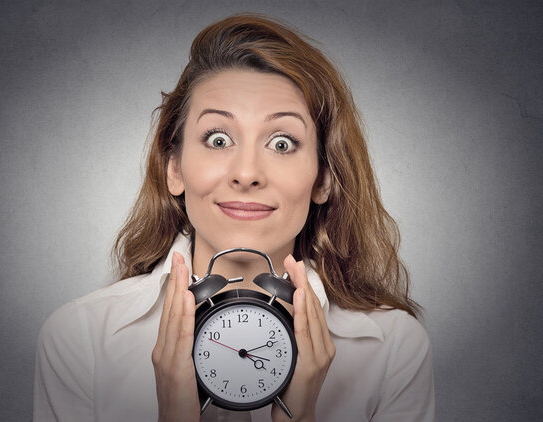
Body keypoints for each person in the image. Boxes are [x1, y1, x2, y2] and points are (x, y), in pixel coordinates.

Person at [34, 13, 434, 422]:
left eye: (282, 143)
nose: (247, 174)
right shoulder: (80, 339)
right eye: (218, 139)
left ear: (324, 179)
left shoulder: (392, 349)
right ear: (174, 167)